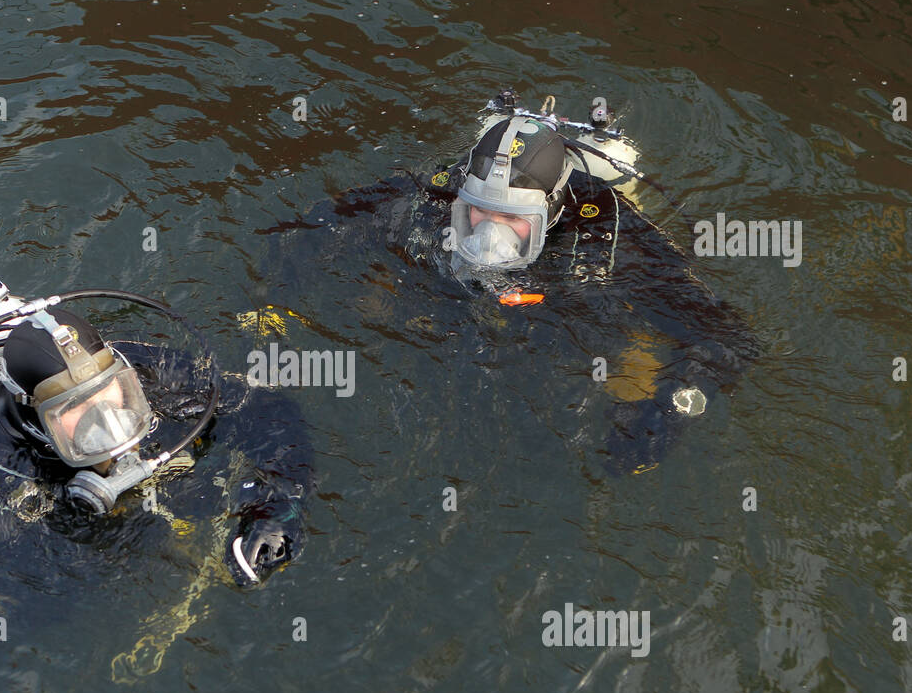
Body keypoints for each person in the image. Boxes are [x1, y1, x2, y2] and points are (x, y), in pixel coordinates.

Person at [259, 90, 760, 476]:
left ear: (553, 210)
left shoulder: (608, 236)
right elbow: (318, 225)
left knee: (628, 362)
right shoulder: (437, 198)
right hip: (465, 319)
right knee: (381, 297)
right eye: (479, 211)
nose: (489, 233)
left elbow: (727, 337)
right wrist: (271, 303)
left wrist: (667, 414)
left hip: (574, 310)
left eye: (513, 218)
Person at [0, 278, 310, 590]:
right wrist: (127, 535)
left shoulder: (150, 373)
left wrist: (276, 509)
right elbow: (31, 582)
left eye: (112, 394)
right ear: (34, 415)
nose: (104, 417)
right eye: (73, 410)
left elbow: (271, 412)